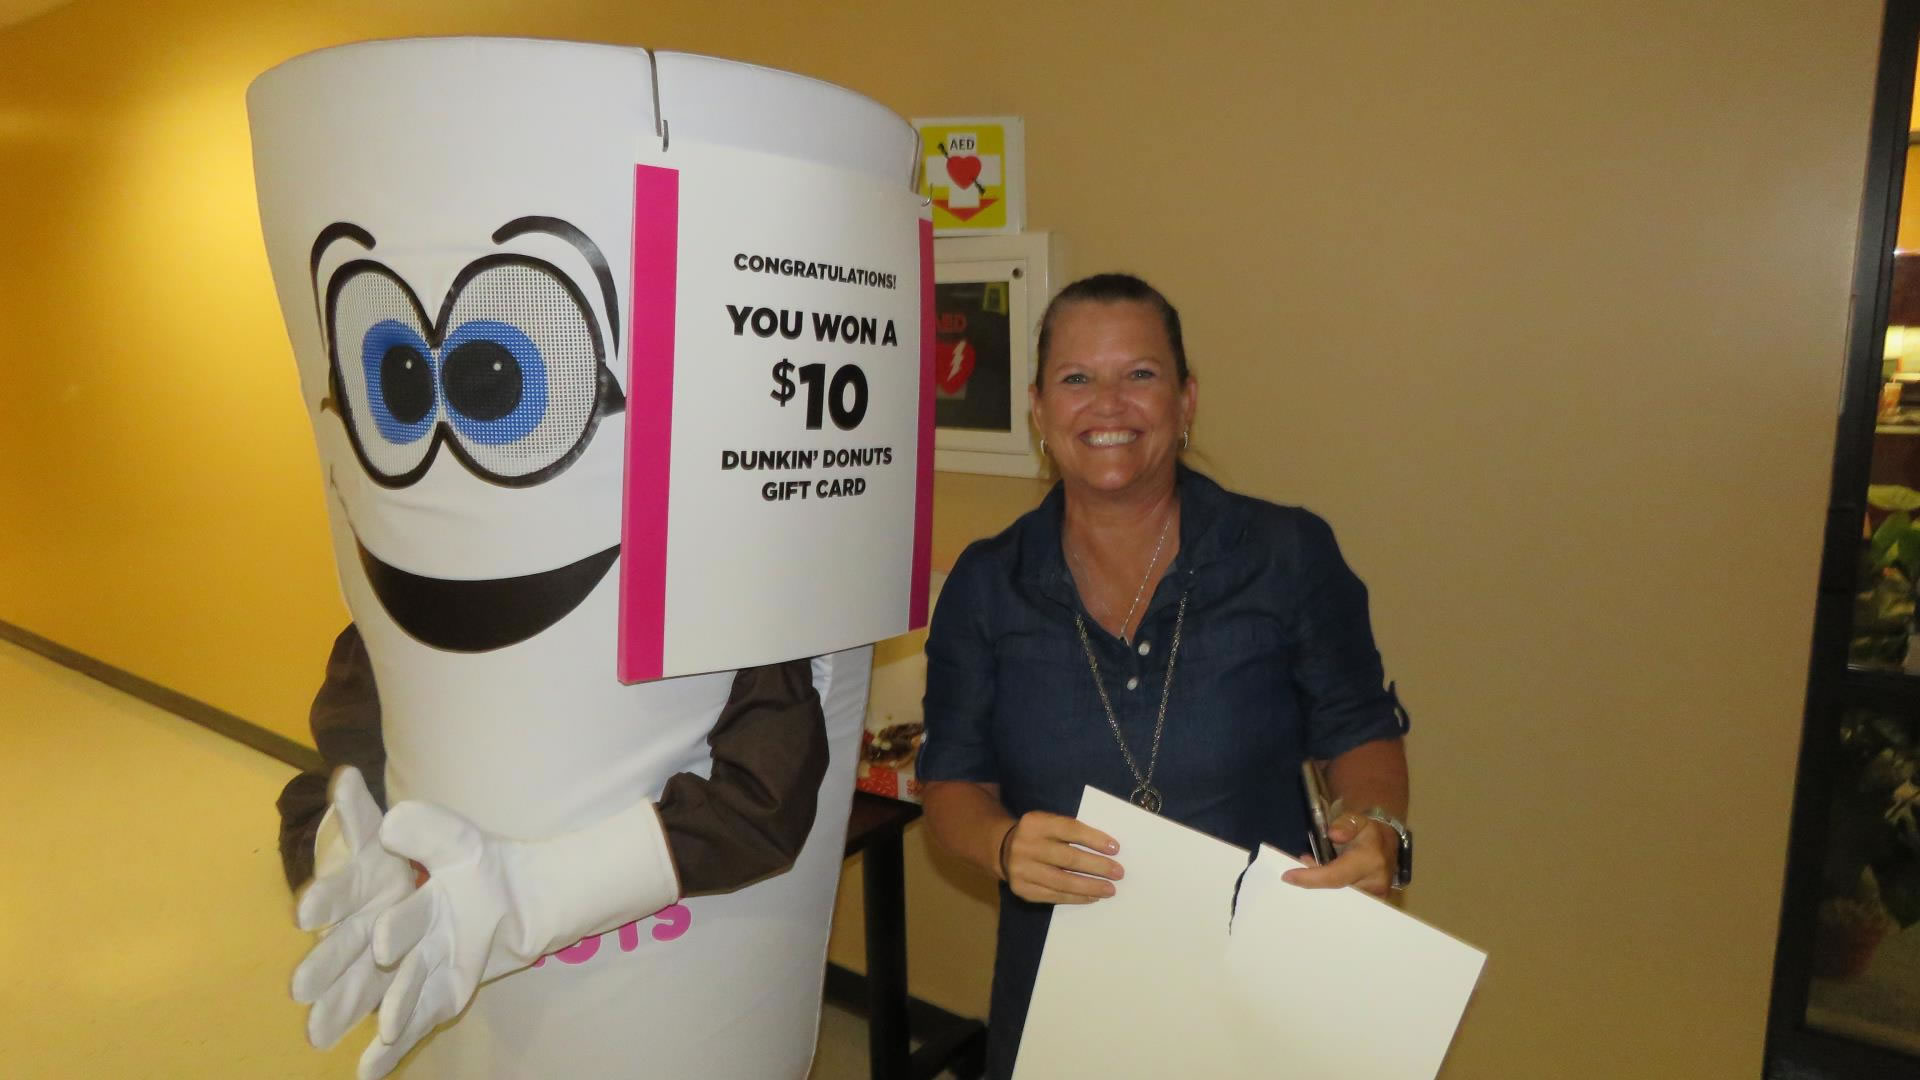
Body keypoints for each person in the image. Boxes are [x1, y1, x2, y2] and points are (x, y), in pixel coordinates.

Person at [917, 273, 1412, 1078]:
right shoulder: (986, 583)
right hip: (1065, 990)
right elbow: (951, 781)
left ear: (1186, 401)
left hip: (1264, 978)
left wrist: (1377, 824)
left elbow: (1359, 729)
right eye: (1077, 378)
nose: (1107, 404)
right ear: (1039, 409)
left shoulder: (1286, 555)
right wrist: (1000, 844)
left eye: (1139, 374)